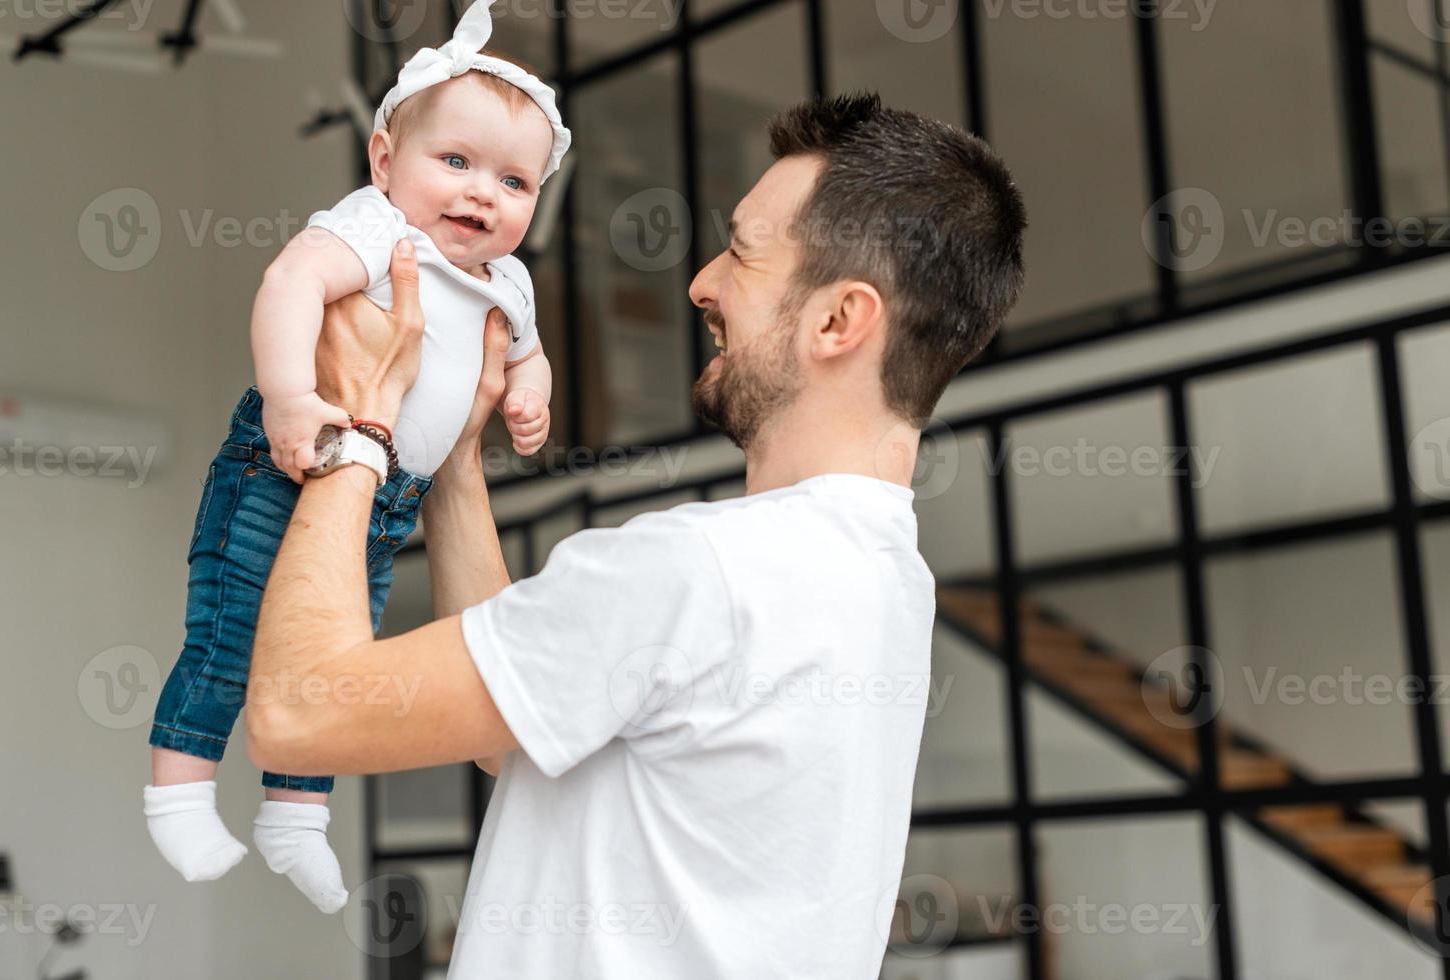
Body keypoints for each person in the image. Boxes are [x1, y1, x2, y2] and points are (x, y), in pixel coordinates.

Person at [247, 92, 1026, 977]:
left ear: (838, 321)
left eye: (741, 253)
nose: (702, 283)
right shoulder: (882, 579)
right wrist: (457, 461)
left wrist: (364, 424)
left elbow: (297, 711)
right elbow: (518, 731)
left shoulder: (699, 570)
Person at [142, 0, 568, 914]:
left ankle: (296, 822)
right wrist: (294, 395)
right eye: (453, 162)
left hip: (387, 496)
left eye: (513, 182)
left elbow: (524, 347)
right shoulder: (378, 228)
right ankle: (176, 794)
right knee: (231, 637)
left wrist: (529, 389)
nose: (481, 193)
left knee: (337, 663)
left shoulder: (510, 280)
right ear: (384, 161)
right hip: (288, 462)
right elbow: (291, 281)